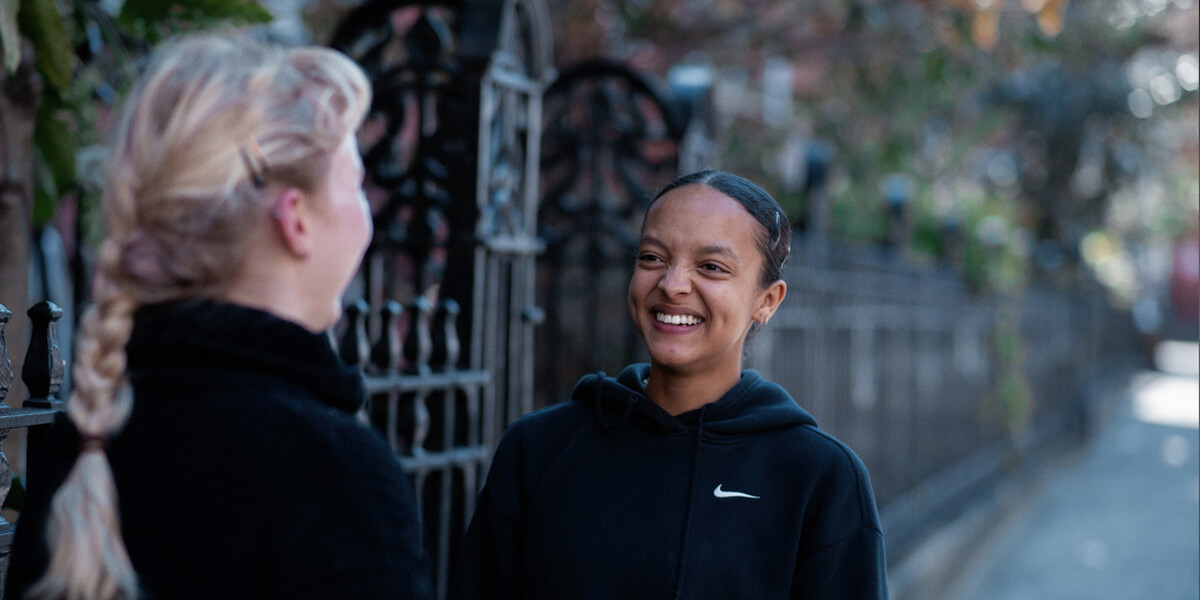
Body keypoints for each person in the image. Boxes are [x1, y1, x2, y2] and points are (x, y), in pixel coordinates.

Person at [5, 33, 434, 600]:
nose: (367, 215)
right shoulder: (333, 475)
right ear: (296, 219)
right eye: (355, 184)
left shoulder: (86, 442)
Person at [449, 170, 888, 599]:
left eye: (711, 267)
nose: (672, 285)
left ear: (766, 301)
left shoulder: (819, 479)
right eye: (652, 258)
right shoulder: (538, 451)